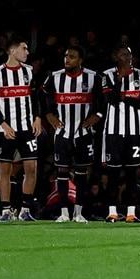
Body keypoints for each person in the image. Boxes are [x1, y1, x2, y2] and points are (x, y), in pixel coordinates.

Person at [42, 44, 101, 223]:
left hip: (83, 133)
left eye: (72, 56)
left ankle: (79, 213)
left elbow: (103, 101)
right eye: (66, 56)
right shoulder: (54, 77)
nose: (67, 59)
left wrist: (96, 116)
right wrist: (49, 115)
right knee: (61, 172)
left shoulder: (93, 77)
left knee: (82, 173)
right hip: (63, 133)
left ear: (80, 60)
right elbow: (42, 96)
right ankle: (63, 213)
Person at [0, 40, 41, 222]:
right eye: (23, 48)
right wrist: (2, 123)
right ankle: (6, 210)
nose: (27, 52)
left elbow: (35, 97)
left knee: (31, 167)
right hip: (6, 130)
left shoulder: (28, 71)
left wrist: (38, 118)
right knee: (4, 170)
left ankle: (25, 209)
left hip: (27, 127)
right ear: (12, 50)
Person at [101, 45, 140, 223]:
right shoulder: (107, 75)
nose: (128, 57)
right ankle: (112, 212)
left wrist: (125, 98)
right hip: (113, 132)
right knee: (113, 175)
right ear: (116, 56)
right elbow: (111, 100)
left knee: (132, 174)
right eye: (123, 54)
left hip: (134, 132)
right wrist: (120, 81)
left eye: (129, 54)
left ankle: (131, 213)